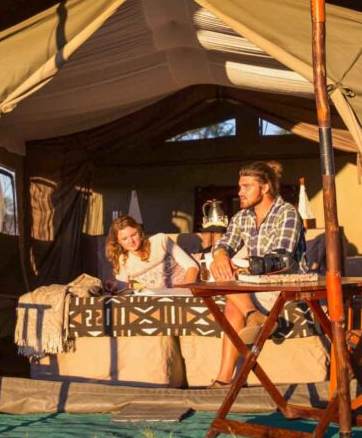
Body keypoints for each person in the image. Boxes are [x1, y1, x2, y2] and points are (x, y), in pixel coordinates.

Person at [206, 160, 305, 387]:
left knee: (232, 302)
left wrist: (248, 268)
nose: (240, 192)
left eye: (246, 186)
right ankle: (254, 315)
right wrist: (220, 255)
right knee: (220, 269)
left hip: (284, 282)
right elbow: (225, 243)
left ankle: (223, 379)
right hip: (254, 284)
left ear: (265, 188)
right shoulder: (242, 217)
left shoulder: (287, 213)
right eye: (240, 186)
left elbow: (283, 258)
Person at [104, 215, 200, 292]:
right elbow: (124, 287)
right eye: (125, 239)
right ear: (119, 241)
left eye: (134, 235)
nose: (131, 241)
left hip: (200, 276)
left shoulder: (160, 240)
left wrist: (184, 293)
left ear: (140, 232)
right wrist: (120, 285)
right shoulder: (123, 260)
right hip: (162, 298)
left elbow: (192, 266)